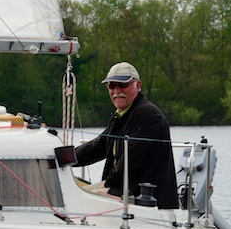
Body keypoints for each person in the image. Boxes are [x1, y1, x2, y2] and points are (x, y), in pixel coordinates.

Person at [74, 62, 179, 209]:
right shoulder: (121, 115)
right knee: (71, 193)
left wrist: (108, 183)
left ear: (138, 85)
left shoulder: (148, 115)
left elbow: (132, 160)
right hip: (121, 188)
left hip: (146, 199)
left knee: (75, 200)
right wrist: (63, 158)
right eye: (112, 86)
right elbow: (98, 146)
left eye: (122, 85)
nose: (116, 91)